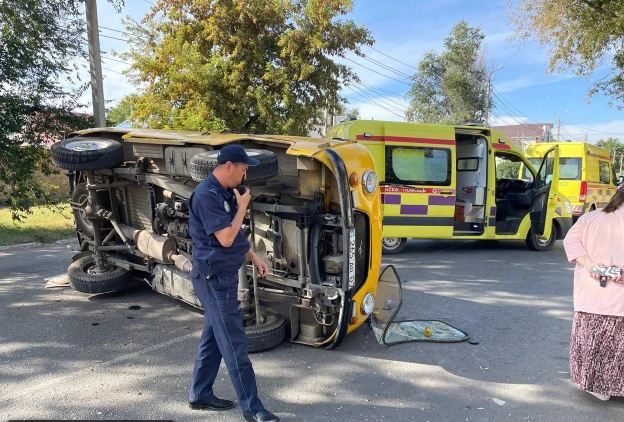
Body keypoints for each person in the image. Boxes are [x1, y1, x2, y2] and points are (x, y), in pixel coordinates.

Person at [188, 144, 279, 422]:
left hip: (222, 275)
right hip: (213, 278)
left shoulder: (226, 191)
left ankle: (200, 393)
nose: (244, 175)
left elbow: (236, 236)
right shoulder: (206, 195)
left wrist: (254, 256)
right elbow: (225, 238)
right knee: (234, 343)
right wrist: (242, 208)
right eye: (243, 169)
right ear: (228, 166)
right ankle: (252, 408)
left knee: (214, 338)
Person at [563, 187, 624, 401]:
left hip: (591, 297)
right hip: (619, 299)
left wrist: (593, 266)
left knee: (593, 343)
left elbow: (570, 242)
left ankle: (596, 386)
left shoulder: (590, 218)